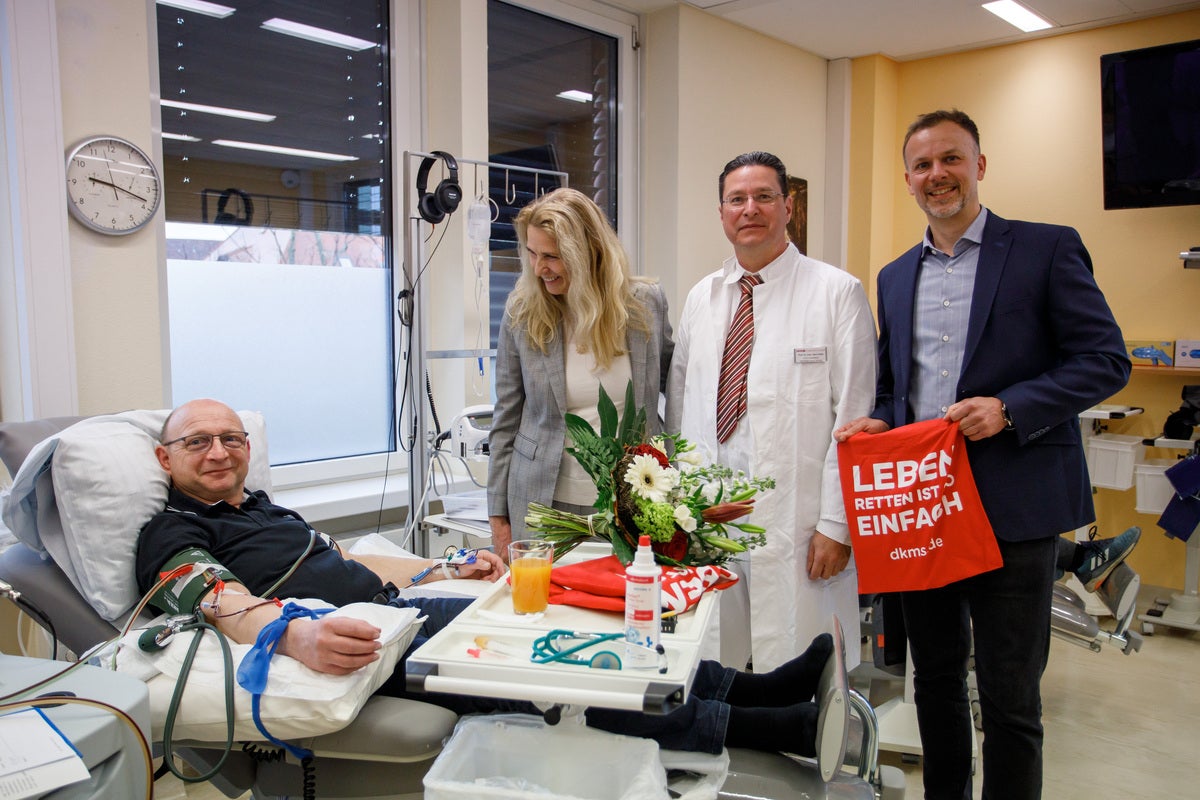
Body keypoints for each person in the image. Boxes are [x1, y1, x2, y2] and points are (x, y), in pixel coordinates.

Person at [135, 399, 834, 757]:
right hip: (359, 643)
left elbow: (348, 563)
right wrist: (296, 637)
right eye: (198, 441)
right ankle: (772, 729)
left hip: (397, 608)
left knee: (574, 614)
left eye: (231, 439)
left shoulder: (261, 507)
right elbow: (217, 598)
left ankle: (757, 688)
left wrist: (442, 567)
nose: (219, 451)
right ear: (167, 459)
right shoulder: (171, 530)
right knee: (553, 665)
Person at [834, 109, 1131, 800]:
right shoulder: (895, 275)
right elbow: (892, 383)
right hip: (924, 512)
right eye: (923, 164)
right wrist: (879, 422)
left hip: (1014, 510)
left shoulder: (1046, 248)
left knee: (1009, 698)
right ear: (907, 179)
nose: (938, 175)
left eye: (952, 159)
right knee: (933, 683)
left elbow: (1104, 360)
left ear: (979, 166)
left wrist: (1011, 407)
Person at [666, 151, 877, 673]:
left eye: (763, 197)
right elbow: (679, 410)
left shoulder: (836, 294)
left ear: (788, 206)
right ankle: (722, 748)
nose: (749, 209)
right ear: (721, 213)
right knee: (714, 656)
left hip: (797, 520)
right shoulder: (702, 298)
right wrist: (677, 506)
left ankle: (811, 751)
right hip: (710, 514)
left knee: (801, 662)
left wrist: (836, 524)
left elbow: (853, 419)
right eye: (736, 199)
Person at [488, 188, 673, 561]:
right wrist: (498, 517)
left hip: (632, 504)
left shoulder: (645, 304)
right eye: (533, 253)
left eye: (552, 256)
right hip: (543, 505)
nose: (540, 269)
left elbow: (680, 387)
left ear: (589, 253)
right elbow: (506, 418)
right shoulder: (522, 313)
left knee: (627, 608)